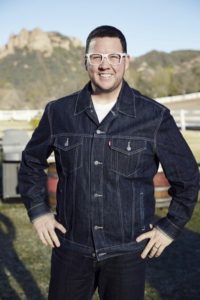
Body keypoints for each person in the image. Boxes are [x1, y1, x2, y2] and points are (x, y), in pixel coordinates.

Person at [18, 25, 199, 300]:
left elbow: (188, 178)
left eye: (114, 57)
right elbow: (31, 161)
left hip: (127, 253)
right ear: (86, 62)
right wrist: (39, 211)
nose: (105, 65)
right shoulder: (58, 112)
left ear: (125, 61)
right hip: (70, 249)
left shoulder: (154, 116)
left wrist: (169, 228)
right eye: (97, 57)